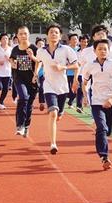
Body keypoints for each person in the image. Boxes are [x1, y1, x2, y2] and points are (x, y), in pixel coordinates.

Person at [33, 23, 79, 154]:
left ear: (60, 36)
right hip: (48, 86)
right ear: (47, 35)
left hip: (63, 87)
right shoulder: (41, 51)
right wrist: (36, 73)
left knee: (58, 114)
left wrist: (65, 69)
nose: (54, 34)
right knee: (52, 113)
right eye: (51, 32)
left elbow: (76, 65)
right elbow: (39, 61)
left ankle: (61, 111)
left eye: (56, 32)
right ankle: (53, 143)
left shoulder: (66, 50)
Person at [82, 39, 112, 170]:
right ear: (95, 51)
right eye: (100, 49)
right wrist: (85, 97)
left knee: (108, 131)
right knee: (101, 128)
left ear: (108, 50)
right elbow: (84, 83)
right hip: (96, 102)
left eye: (105, 49)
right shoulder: (89, 66)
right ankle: (104, 156)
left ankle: (102, 139)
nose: (102, 51)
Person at [10, 26, 38, 137]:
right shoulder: (15, 49)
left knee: (29, 104)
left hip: (32, 79)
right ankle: (20, 125)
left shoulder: (34, 48)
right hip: (19, 78)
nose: (23, 36)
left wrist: (35, 74)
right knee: (23, 97)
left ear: (28, 34)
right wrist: (12, 62)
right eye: (20, 34)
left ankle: (26, 126)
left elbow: (39, 62)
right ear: (17, 35)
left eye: (25, 33)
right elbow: (11, 58)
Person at [35, 38, 46, 111]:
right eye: (39, 44)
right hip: (34, 74)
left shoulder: (46, 53)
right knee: (33, 89)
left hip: (43, 73)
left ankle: (42, 102)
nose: (41, 45)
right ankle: (30, 103)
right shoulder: (33, 53)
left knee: (42, 88)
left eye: (42, 44)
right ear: (36, 45)